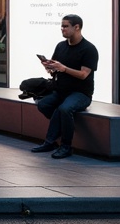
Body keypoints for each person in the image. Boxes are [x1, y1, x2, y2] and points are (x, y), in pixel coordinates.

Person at [32, 14, 98, 159]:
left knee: (64, 109)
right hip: (61, 90)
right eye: (62, 26)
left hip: (81, 93)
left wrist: (64, 68)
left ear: (77, 27)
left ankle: (65, 146)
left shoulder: (89, 49)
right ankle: (53, 139)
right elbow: (56, 66)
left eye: (66, 26)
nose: (62, 29)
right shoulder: (61, 46)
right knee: (43, 104)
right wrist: (50, 67)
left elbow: (83, 74)